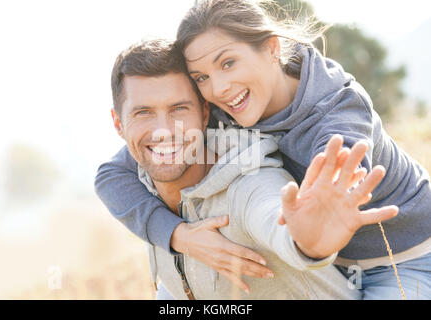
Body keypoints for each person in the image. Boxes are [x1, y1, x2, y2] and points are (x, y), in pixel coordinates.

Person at [95, 0, 431, 299]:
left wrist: (313, 213)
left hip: (405, 258)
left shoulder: (338, 111)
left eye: (228, 63)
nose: (219, 87)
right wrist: (178, 235)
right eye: (201, 77)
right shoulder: (224, 106)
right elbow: (114, 174)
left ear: (271, 49)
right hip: (331, 262)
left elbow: (336, 172)